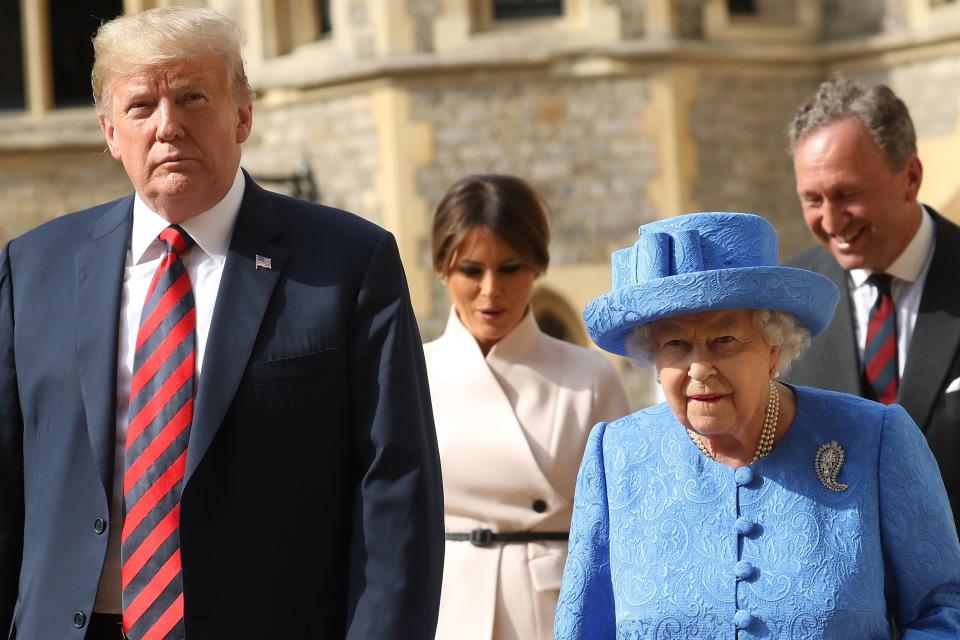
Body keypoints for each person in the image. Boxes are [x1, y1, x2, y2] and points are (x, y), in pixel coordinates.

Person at [0, 7, 443, 640]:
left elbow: (396, 490)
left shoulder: (345, 265)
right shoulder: (33, 267)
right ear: (108, 130)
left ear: (242, 116)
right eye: (141, 107)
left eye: (191, 97)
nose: (167, 126)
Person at [556, 212, 960, 638]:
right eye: (675, 343)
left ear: (774, 347)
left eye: (724, 340)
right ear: (652, 358)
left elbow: (946, 609)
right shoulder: (615, 454)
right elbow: (581, 627)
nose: (699, 369)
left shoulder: (874, 438)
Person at [424, 175, 629, 640]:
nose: (490, 290)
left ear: (538, 267)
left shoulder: (591, 378)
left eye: (511, 268)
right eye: (471, 271)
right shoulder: (411, 373)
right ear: (442, 269)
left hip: (553, 611)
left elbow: (624, 525)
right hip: (445, 609)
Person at [785, 77, 960, 525]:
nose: (830, 220)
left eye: (847, 194)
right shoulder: (787, 303)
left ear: (912, 178)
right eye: (812, 199)